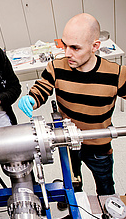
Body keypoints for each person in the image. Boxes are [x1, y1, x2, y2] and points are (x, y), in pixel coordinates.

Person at [18, 13, 126, 196]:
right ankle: (74, 196)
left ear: (95, 46)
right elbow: (43, 87)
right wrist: (32, 98)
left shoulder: (116, 74)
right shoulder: (56, 67)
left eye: (75, 48)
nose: (67, 53)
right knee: (73, 181)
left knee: (106, 188)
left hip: (99, 145)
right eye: (64, 45)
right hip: (68, 142)